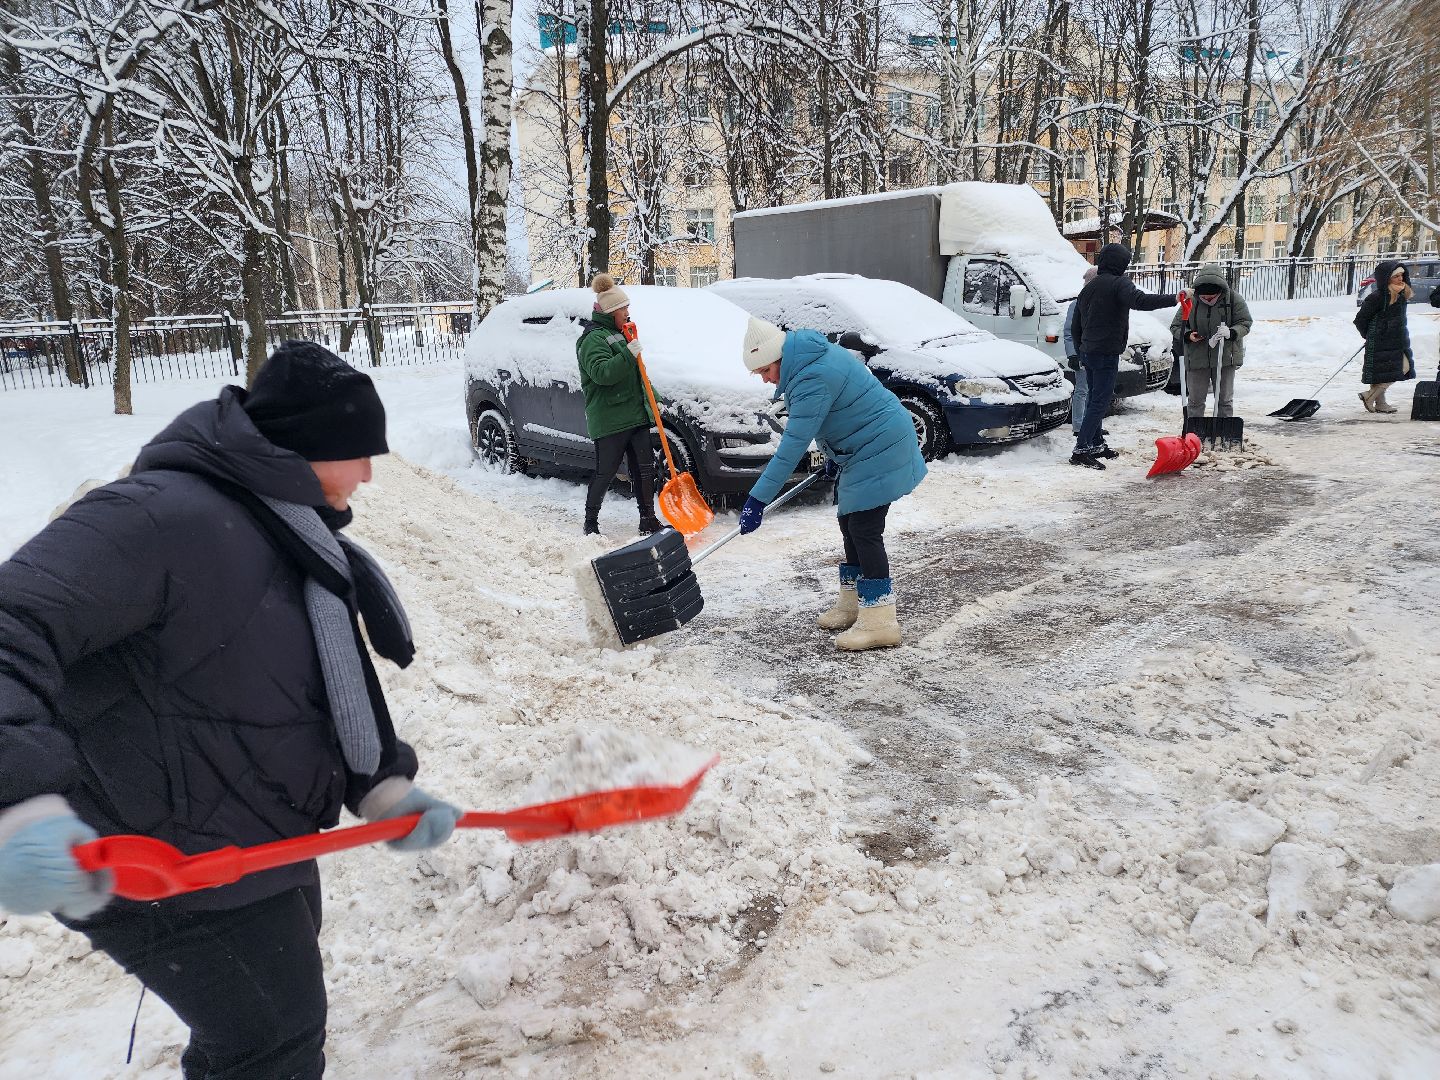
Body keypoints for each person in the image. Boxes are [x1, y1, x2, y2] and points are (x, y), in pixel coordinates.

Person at [0, 341, 461, 1079]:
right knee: (270, 1045)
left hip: (254, 839)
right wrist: (18, 801)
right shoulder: (156, 518)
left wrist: (382, 786)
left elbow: (310, 679)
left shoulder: (288, 529)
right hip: (155, 854)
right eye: (359, 452)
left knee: (265, 1040)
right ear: (305, 447)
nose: (371, 472)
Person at [736, 317, 926, 652]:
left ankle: (880, 622)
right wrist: (833, 455)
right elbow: (841, 413)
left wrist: (758, 498)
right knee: (848, 522)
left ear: (777, 359)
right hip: (864, 446)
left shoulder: (812, 376)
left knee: (864, 528)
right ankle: (854, 605)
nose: (766, 380)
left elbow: (793, 443)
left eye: (765, 371)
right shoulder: (808, 361)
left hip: (881, 445)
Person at [1069, 243, 1179, 470]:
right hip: (1105, 352)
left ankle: (1096, 443)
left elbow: (1075, 325)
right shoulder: (1119, 284)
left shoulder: (1089, 288)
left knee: (1094, 399)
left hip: (1089, 352)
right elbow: (1141, 301)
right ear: (1120, 263)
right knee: (1100, 400)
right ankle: (1081, 449)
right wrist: (1174, 298)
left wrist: (1080, 351)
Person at [577, 273, 662, 535]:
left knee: (645, 470)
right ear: (611, 310)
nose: (627, 312)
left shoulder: (621, 333)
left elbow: (637, 372)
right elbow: (602, 374)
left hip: (634, 413)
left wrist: (653, 399)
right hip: (611, 418)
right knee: (606, 472)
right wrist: (628, 352)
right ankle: (591, 522)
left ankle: (648, 519)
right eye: (623, 308)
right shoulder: (593, 339)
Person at [1170, 263, 1253, 419]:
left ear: (1220, 291)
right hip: (1196, 358)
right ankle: (1194, 434)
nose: (1207, 299)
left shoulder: (1233, 299)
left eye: (1211, 297)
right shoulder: (1191, 301)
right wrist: (1188, 335)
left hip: (1225, 357)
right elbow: (1176, 326)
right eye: (1204, 297)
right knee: (1195, 401)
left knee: (1224, 401)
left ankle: (1224, 432)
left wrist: (1232, 332)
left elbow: (1245, 322)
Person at [1354, 261, 1415, 414]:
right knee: (1401, 368)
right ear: (1387, 278)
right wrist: (1370, 335)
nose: (1400, 279)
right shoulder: (1377, 297)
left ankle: (1380, 403)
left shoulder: (1401, 294)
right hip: (1381, 341)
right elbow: (1361, 319)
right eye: (1396, 276)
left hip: (1396, 340)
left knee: (1382, 373)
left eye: (1401, 275)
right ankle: (1369, 396)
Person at [1063, 265, 1101, 439]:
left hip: (1098, 353)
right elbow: (1069, 332)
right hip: (1082, 354)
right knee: (1082, 390)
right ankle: (1078, 425)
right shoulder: (1077, 304)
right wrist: (1072, 354)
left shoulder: (1102, 302)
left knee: (1096, 392)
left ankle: (1093, 426)